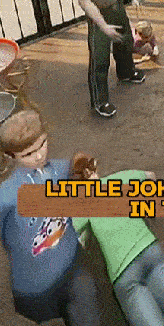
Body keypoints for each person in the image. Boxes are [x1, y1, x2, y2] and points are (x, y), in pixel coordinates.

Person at [71, 154, 164, 326]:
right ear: (94, 167)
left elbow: (68, 236)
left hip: (123, 274)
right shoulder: (120, 179)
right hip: (150, 251)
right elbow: (150, 176)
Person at [0, 109, 100, 325]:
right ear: (10, 155)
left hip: (72, 269)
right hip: (34, 287)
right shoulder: (5, 197)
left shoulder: (63, 170)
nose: (39, 156)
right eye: (28, 154)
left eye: (42, 144)